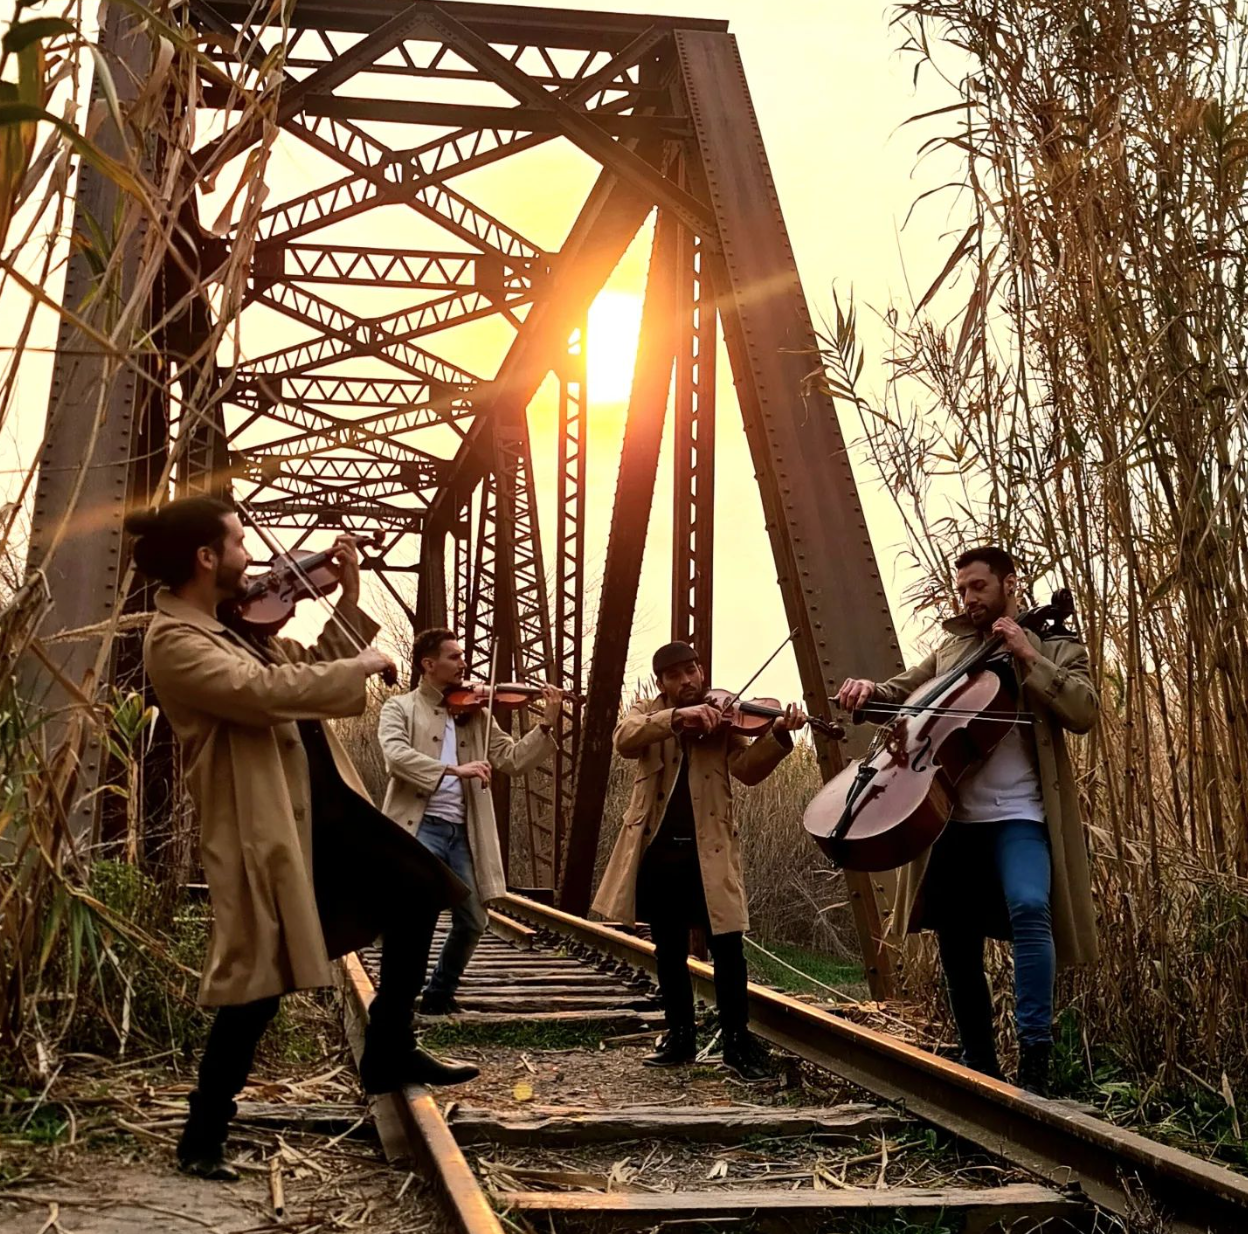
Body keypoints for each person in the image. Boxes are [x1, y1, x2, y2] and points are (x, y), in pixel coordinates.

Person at [127, 497, 478, 1182]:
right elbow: (262, 692)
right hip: (265, 822)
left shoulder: (231, 628)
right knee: (256, 983)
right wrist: (359, 666)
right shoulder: (176, 640)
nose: (253, 559)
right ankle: (203, 1134)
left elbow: (308, 660)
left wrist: (348, 600)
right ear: (205, 558)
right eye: (237, 543)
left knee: (419, 888)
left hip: (321, 807)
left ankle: (390, 1047)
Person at [836, 546, 1098, 1095]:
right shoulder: (952, 649)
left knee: (1031, 906)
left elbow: (1083, 711)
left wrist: (1028, 654)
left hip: (1022, 813)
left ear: (1010, 584)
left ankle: (1035, 1058)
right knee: (955, 934)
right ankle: (980, 1057)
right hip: (954, 817)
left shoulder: (1056, 645)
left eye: (979, 587)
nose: (969, 598)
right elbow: (900, 693)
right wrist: (867, 693)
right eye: (962, 590)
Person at [592, 641, 808, 1081]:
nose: (688, 680)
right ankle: (680, 1036)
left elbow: (747, 770)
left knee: (728, 949)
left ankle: (737, 1044)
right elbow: (624, 739)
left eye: (693, 670)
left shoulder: (724, 719)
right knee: (668, 949)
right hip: (658, 851)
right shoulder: (647, 713)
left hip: (709, 850)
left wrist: (780, 735)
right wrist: (675, 719)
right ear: (662, 684)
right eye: (676, 675)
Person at [378, 629, 559, 1014]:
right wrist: (453, 770)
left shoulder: (477, 713)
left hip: (463, 832)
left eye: (462, 656)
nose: (464, 663)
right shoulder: (400, 708)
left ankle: (439, 993)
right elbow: (395, 757)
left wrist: (545, 726)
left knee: (474, 919)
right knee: (418, 917)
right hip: (420, 826)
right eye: (454, 657)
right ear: (429, 665)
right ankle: (398, 1004)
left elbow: (511, 760)